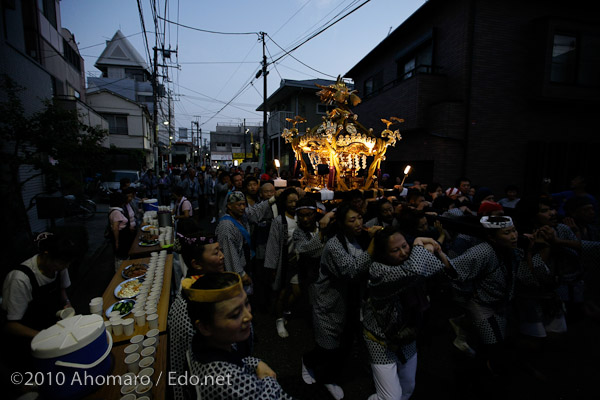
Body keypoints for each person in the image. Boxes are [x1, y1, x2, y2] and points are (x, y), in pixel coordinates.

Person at [443, 216, 550, 375]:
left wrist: (531, 250)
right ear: (491, 237)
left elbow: (530, 277)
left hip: (501, 303)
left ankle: (482, 366)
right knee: (494, 345)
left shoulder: (516, 247)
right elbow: (453, 269)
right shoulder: (482, 251)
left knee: (496, 341)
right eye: (507, 233)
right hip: (481, 305)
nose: (513, 236)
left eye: (514, 230)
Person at [362, 227, 454, 400]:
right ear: (383, 254)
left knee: (408, 388)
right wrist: (419, 243)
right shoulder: (378, 270)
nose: (403, 252)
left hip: (407, 334)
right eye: (395, 250)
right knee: (391, 397)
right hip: (381, 340)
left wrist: (437, 249)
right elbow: (413, 271)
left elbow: (446, 272)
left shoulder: (413, 260)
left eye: (405, 246)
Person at [302, 202, 381, 400]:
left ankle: (330, 377)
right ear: (342, 224)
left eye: (360, 218)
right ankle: (308, 361)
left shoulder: (362, 238)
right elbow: (351, 270)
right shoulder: (334, 244)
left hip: (353, 301)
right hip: (331, 301)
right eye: (352, 220)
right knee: (327, 346)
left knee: (345, 343)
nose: (358, 223)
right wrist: (373, 246)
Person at [182, 272, 293, 399]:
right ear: (205, 327)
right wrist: (268, 379)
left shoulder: (200, 343)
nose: (249, 316)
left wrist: (255, 363)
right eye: (235, 314)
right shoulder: (229, 381)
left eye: (246, 303)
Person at [1, 232, 76, 370]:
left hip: (55, 331)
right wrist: (43, 336)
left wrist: (67, 303)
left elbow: (62, 290)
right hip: (30, 343)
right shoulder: (20, 279)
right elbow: (10, 325)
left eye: (67, 263)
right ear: (46, 255)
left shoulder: (60, 266)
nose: (65, 267)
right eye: (62, 263)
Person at [168, 231, 225, 400]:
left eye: (220, 250)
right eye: (216, 253)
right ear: (196, 264)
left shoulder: (213, 287)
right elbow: (178, 358)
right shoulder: (186, 305)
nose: (222, 256)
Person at [215, 191, 276, 292]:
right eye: (239, 205)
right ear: (229, 206)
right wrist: (241, 274)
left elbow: (255, 211)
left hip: (248, 262)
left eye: (244, 204)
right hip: (238, 267)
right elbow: (230, 252)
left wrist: (271, 200)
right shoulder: (226, 226)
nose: (243, 208)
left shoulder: (242, 216)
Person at [264, 188, 299, 338]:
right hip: (283, 263)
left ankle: (285, 311)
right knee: (281, 292)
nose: (293, 204)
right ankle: (279, 319)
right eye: (290, 201)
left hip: (297, 263)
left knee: (297, 292)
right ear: (284, 203)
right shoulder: (280, 221)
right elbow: (272, 245)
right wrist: (272, 266)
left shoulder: (301, 217)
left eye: (296, 201)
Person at [108, 192, 136, 270]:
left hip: (124, 236)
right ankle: (121, 272)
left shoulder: (117, 210)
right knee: (121, 257)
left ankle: (125, 269)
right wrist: (117, 242)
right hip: (121, 237)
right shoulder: (116, 212)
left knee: (124, 255)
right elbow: (115, 228)